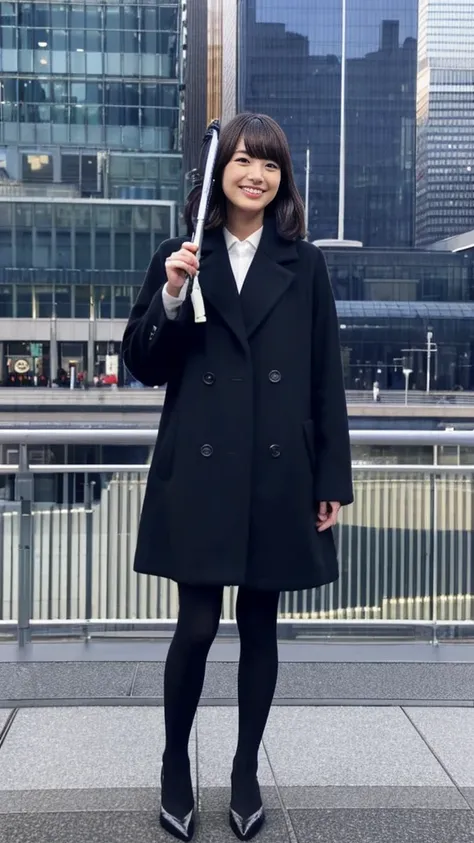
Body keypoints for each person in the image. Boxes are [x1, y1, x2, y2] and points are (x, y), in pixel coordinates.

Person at [122, 113, 353, 842]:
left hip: (278, 473)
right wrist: (169, 295)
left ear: (283, 180)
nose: (256, 174)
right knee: (195, 625)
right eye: (244, 161)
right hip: (203, 468)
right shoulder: (183, 252)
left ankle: (246, 769)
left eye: (271, 165)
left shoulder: (304, 261)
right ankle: (172, 764)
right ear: (219, 172)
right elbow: (143, 363)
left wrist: (332, 480)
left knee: (261, 625)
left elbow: (325, 380)